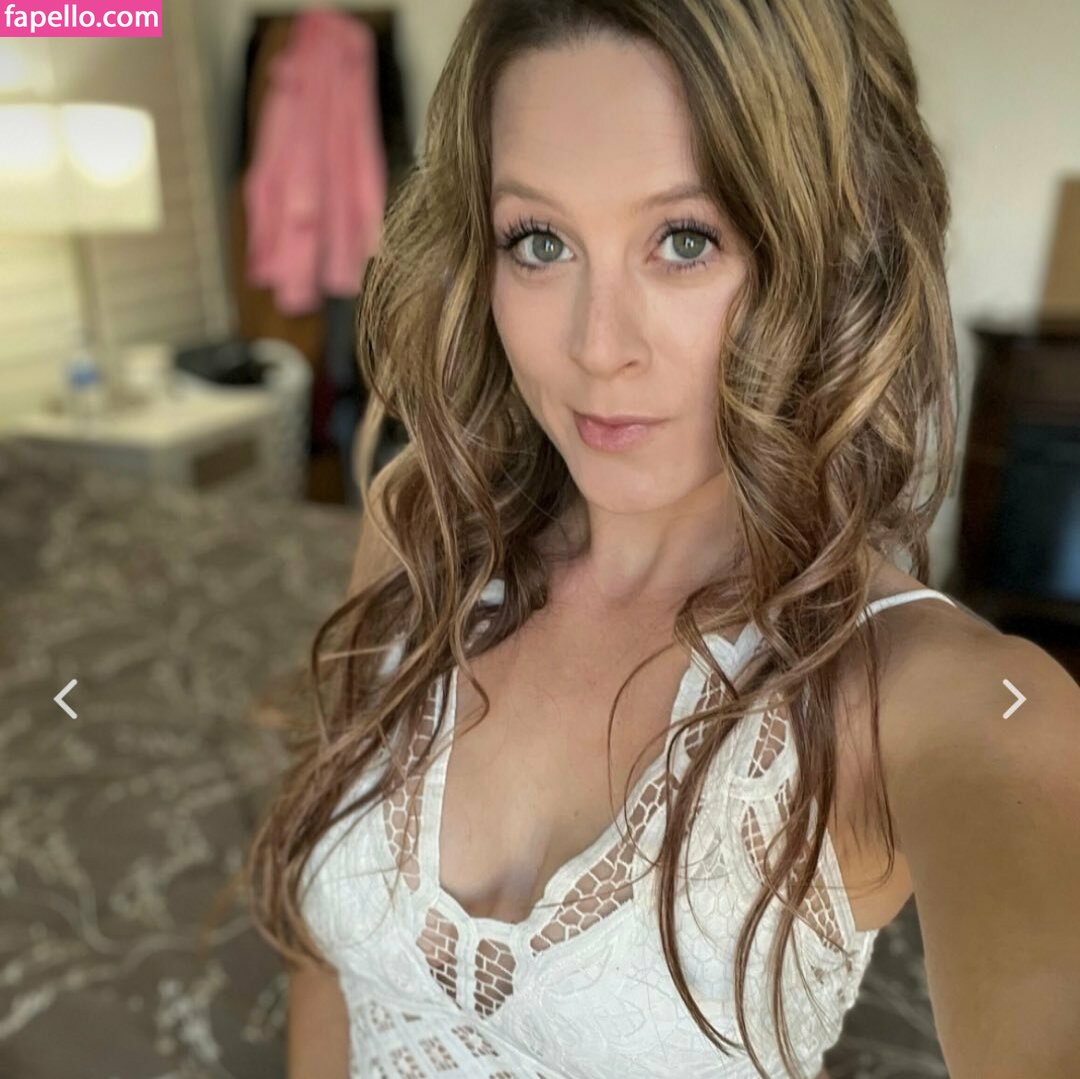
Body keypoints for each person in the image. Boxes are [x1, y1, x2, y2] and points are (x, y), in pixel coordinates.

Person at [246, 2, 1080, 1077]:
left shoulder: (941, 701)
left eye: (686, 240)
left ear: (839, 249)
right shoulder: (422, 525)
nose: (598, 347)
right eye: (538, 240)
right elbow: (321, 958)